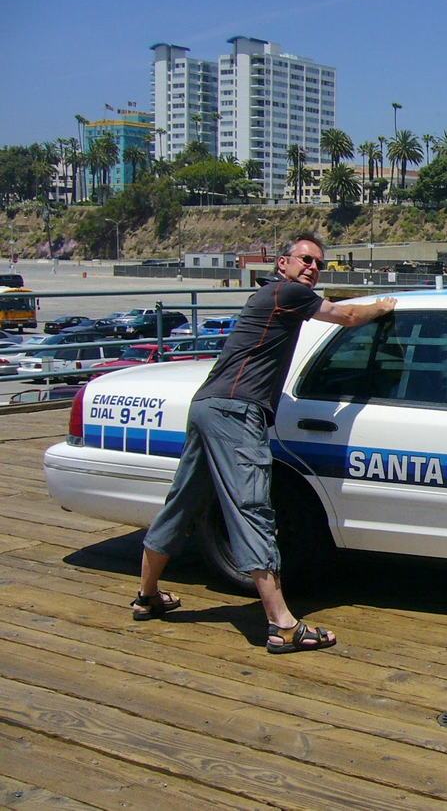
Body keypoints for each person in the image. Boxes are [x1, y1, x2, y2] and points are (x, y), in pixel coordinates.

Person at [132, 232, 397, 655]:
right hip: (237, 412)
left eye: (318, 263)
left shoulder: (273, 296)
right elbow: (345, 316)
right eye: (305, 259)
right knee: (253, 509)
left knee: (183, 502)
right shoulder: (288, 292)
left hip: (208, 406)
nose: (312, 267)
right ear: (282, 263)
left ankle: (147, 596)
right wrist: (381, 307)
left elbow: (330, 310)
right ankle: (282, 624)